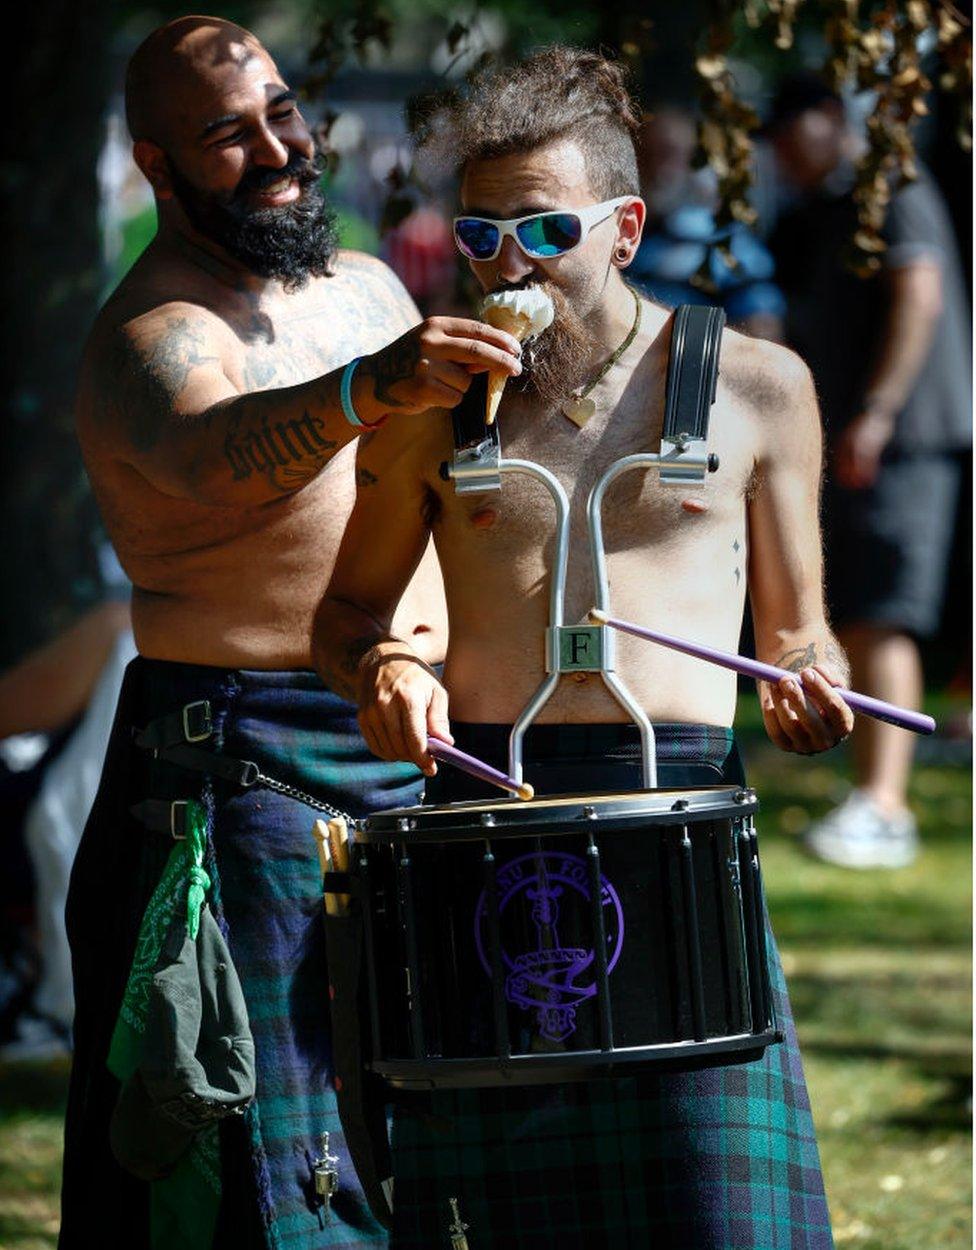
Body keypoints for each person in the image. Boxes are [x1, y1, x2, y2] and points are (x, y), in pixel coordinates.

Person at [316, 46, 853, 1250]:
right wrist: (385, 668)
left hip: (684, 821)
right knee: (510, 1221)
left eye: (546, 229)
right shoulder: (429, 408)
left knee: (718, 1215)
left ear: (624, 226)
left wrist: (814, 678)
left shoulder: (756, 387)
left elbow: (801, 626)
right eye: (482, 235)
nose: (514, 264)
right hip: (489, 821)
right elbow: (347, 617)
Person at [61, 15, 522, 1250]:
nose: (277, 149)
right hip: (240, 772)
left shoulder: (369, 286)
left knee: (416, 1137)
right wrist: (370, 388)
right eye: (228, 134)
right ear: (157, 165)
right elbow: (217, 457)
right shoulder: (150, 336)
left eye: (281, 112)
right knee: (259, 1160)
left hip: (418, 748)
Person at [766, 73, 972, 869]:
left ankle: (886, 808)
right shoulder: (819, 208)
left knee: (885, 614)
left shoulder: (893, 186)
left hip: (905, 439)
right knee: (853, 615)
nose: (782, 159)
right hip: (862, 440)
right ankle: (868, 796)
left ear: (827, 119)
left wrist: (880, 411)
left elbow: (919, 296)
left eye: (790, 139)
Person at [629, 106, 786, 340]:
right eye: (646, 155)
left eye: (670, 155)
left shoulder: (720, 238)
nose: (660, 169)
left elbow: (762, 326)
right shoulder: (614, 230)